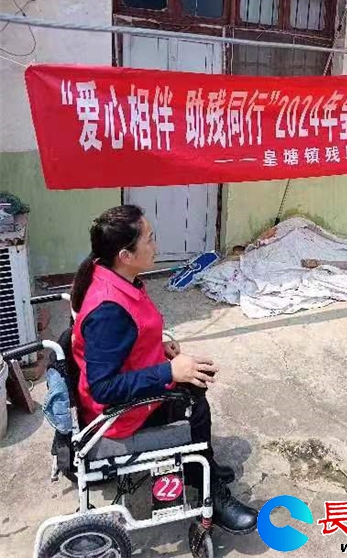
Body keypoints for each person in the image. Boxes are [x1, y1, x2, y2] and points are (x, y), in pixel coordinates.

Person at [70, 205, 257, 534]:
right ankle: (210, 491)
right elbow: (103, 388)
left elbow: (129, 337)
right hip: (117, 417)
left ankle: (203, 467)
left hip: (129, 389)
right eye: (150, 239)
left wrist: (158, 348)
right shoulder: (108, 309)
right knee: (193, 405)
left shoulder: (115, 277)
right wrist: (168, 373)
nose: (156, 246)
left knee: (197, 381)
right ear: (125, 255)